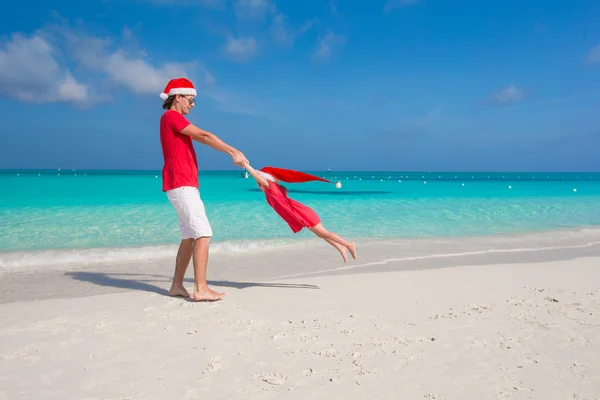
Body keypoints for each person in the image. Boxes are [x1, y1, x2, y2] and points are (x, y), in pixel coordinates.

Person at [159, 77, 248, 302]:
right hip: (181, 184)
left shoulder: (171, 119)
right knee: (203, 234)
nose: (193, 104)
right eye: (190, 99)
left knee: (190, 236)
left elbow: (201, 138)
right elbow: (204, 136)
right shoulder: (171, 116)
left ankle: (177, 286)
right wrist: (232, 151)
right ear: (177, 97)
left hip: (180, 184)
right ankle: (201, 288)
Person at [243, 163, 356, 263]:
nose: (258, 186)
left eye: (258, 184)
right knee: (320, 234)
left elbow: (256, 175)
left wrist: (245, 165)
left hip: (302, 213)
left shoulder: (271, 187)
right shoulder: (276, 189)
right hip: (300, 213)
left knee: (324, 233)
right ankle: (341, 248)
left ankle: (348, 244)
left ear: (263, 180)